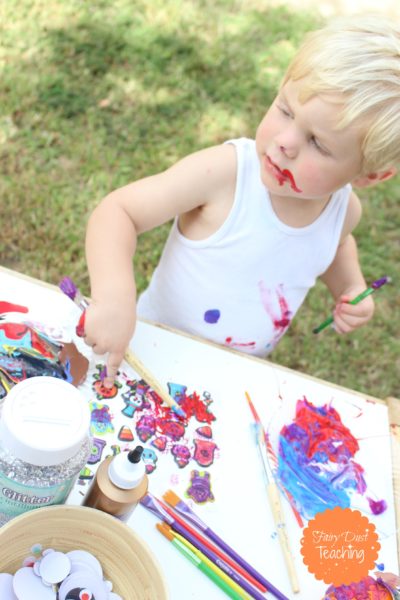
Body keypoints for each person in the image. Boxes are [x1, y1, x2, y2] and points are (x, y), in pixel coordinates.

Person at [84, 14, 399, 386]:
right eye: (285, 110)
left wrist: (349, 287)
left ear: (368, 176)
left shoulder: (342, 211)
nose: (286, 141)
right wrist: (113, 297)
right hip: (148, 349)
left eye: (317, 143)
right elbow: (118, 212)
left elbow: (337, 242)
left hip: (233, 375)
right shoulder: (226, 174)